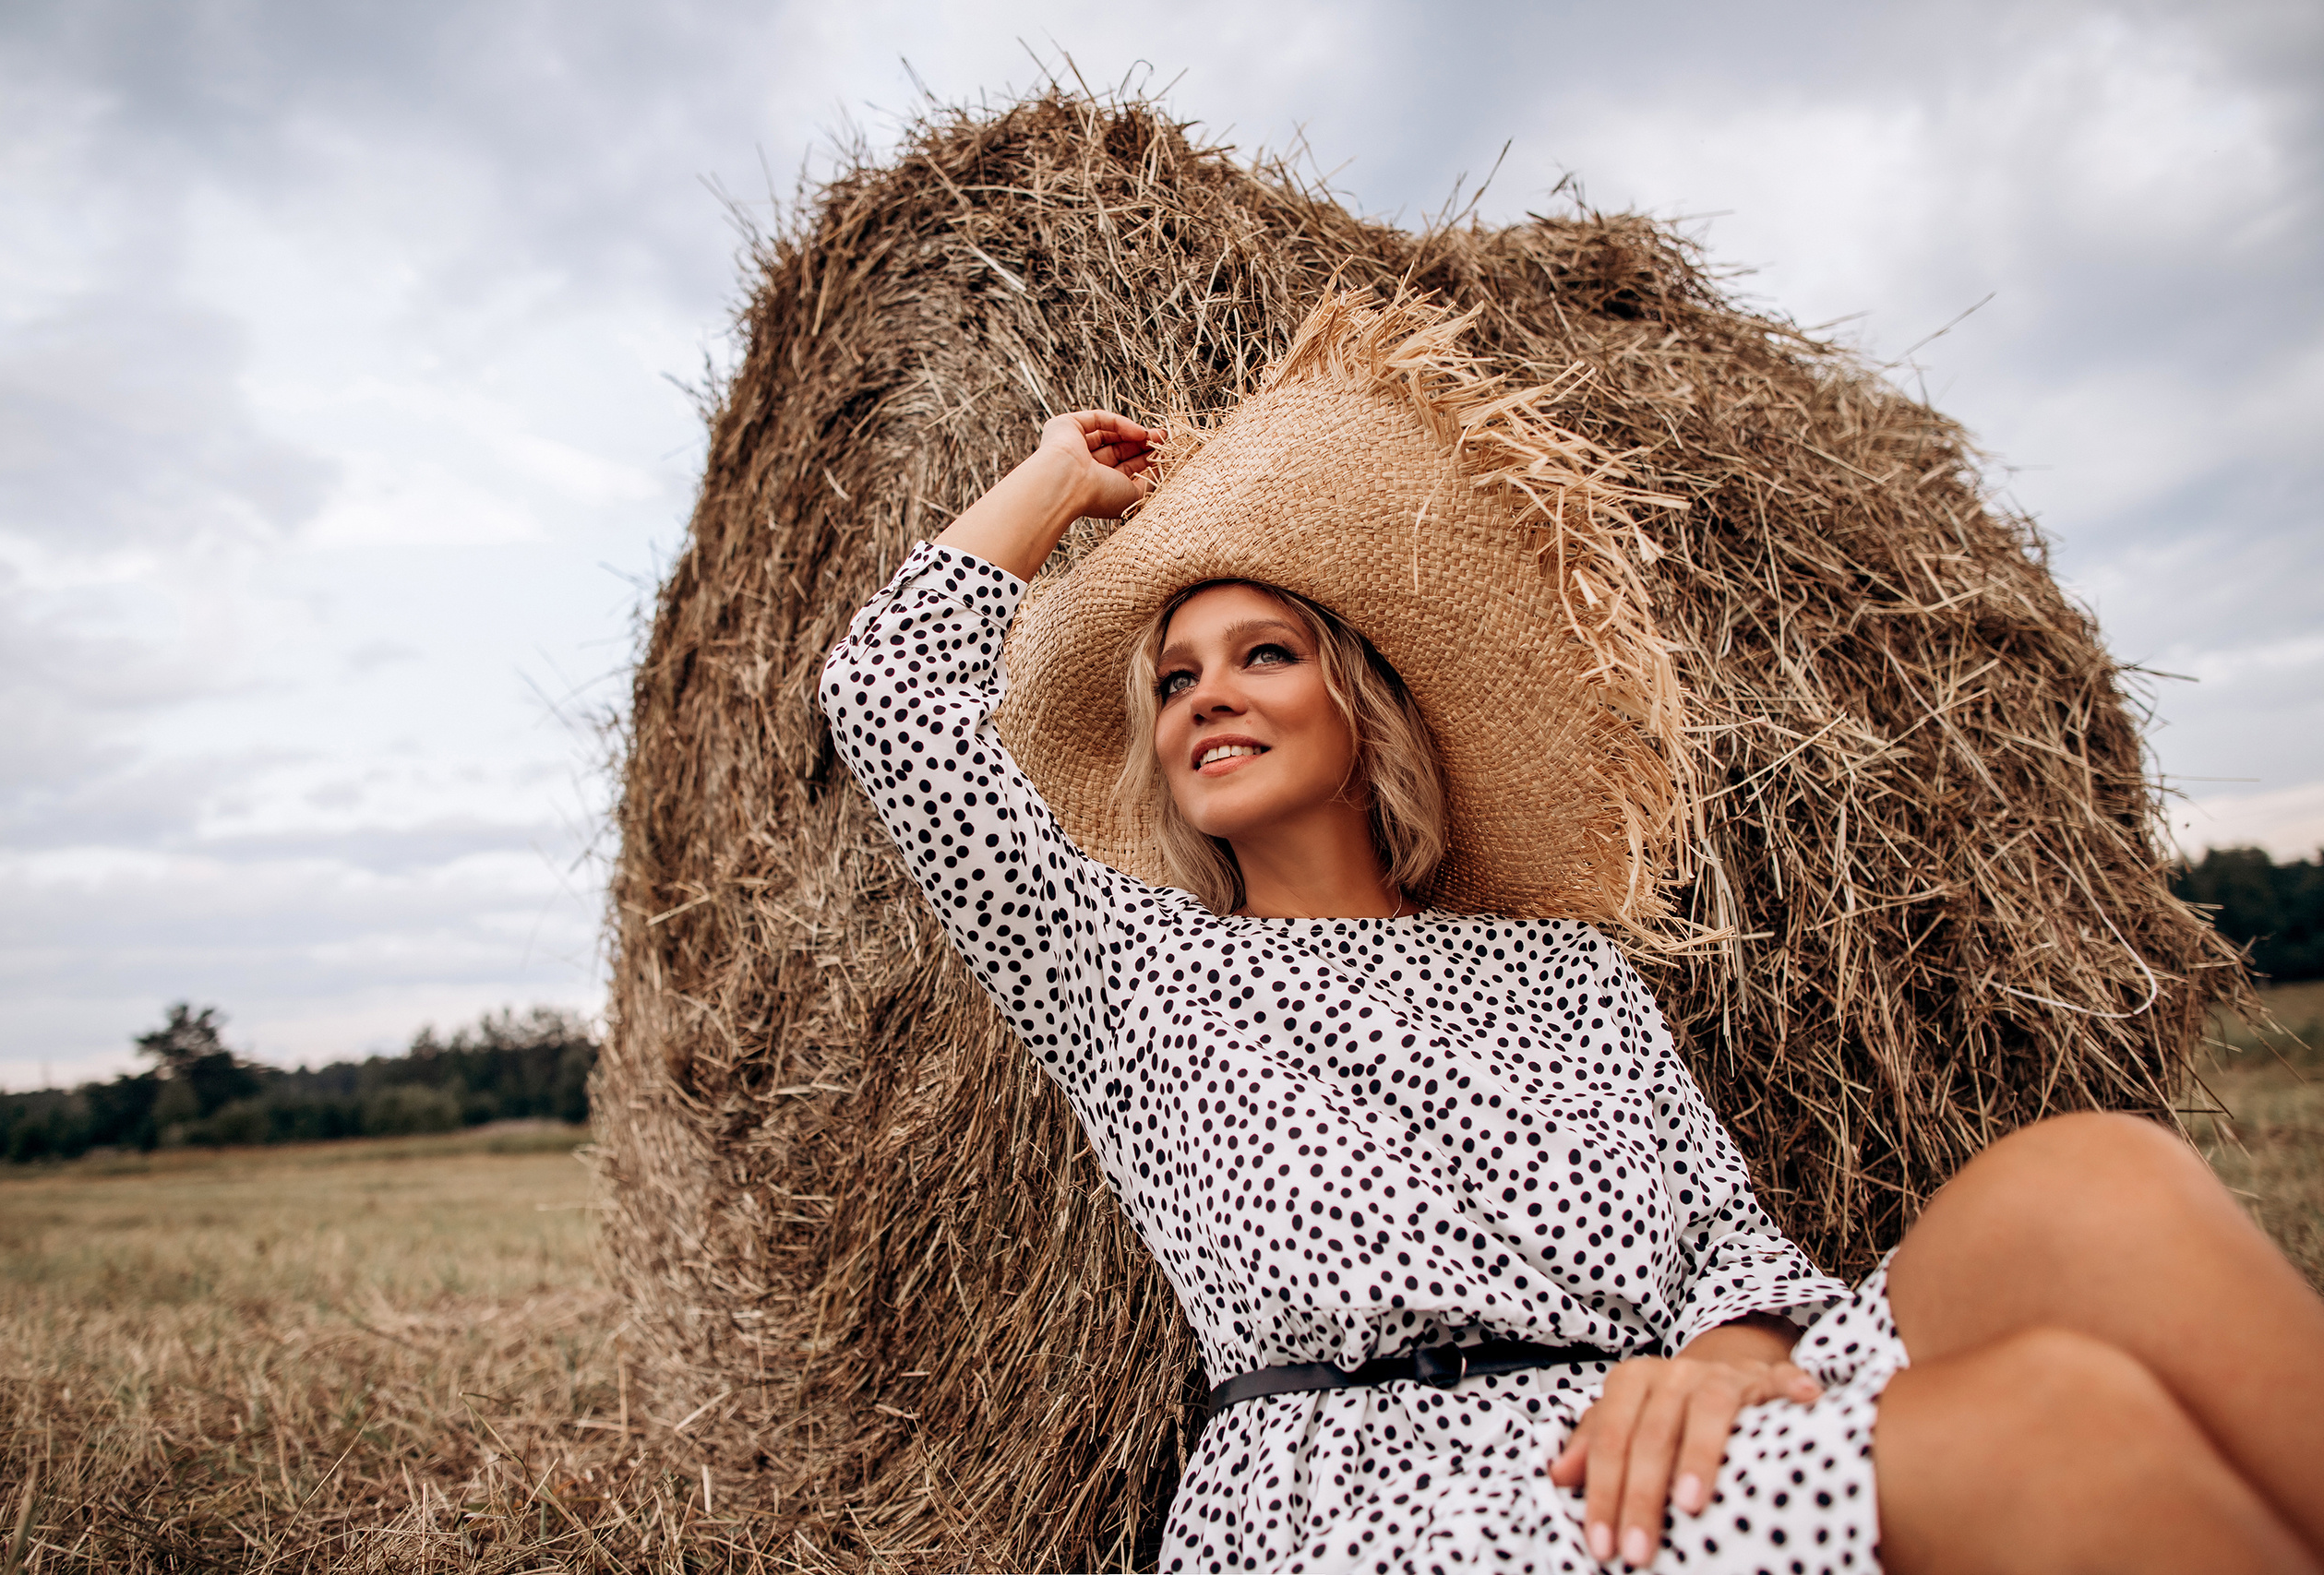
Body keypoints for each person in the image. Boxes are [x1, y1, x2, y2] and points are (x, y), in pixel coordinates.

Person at [821, 292, 2324, 1574]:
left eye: (1262, 654)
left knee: (2095, 1183)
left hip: (1642, 1429)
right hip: (1377, 1503)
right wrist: (1056, 476)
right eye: (1173, 680)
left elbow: (1726, 1251)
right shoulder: (1125, 967)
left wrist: (1728, 1368)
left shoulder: (1559, 971)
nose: (1205, 693)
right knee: (2061, 1428)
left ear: (1361, 704)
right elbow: (888, 701)